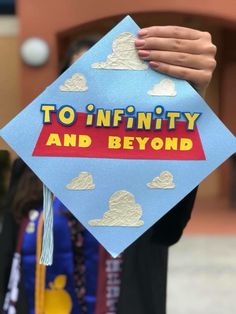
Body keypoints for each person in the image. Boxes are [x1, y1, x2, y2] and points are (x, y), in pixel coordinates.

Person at [1, 25, 217, 314]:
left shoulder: (147, 165)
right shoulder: (30, 166)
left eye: (109, 81)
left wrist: (187, 102)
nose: (95, 93)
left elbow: (167, 232)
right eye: (82, 78)